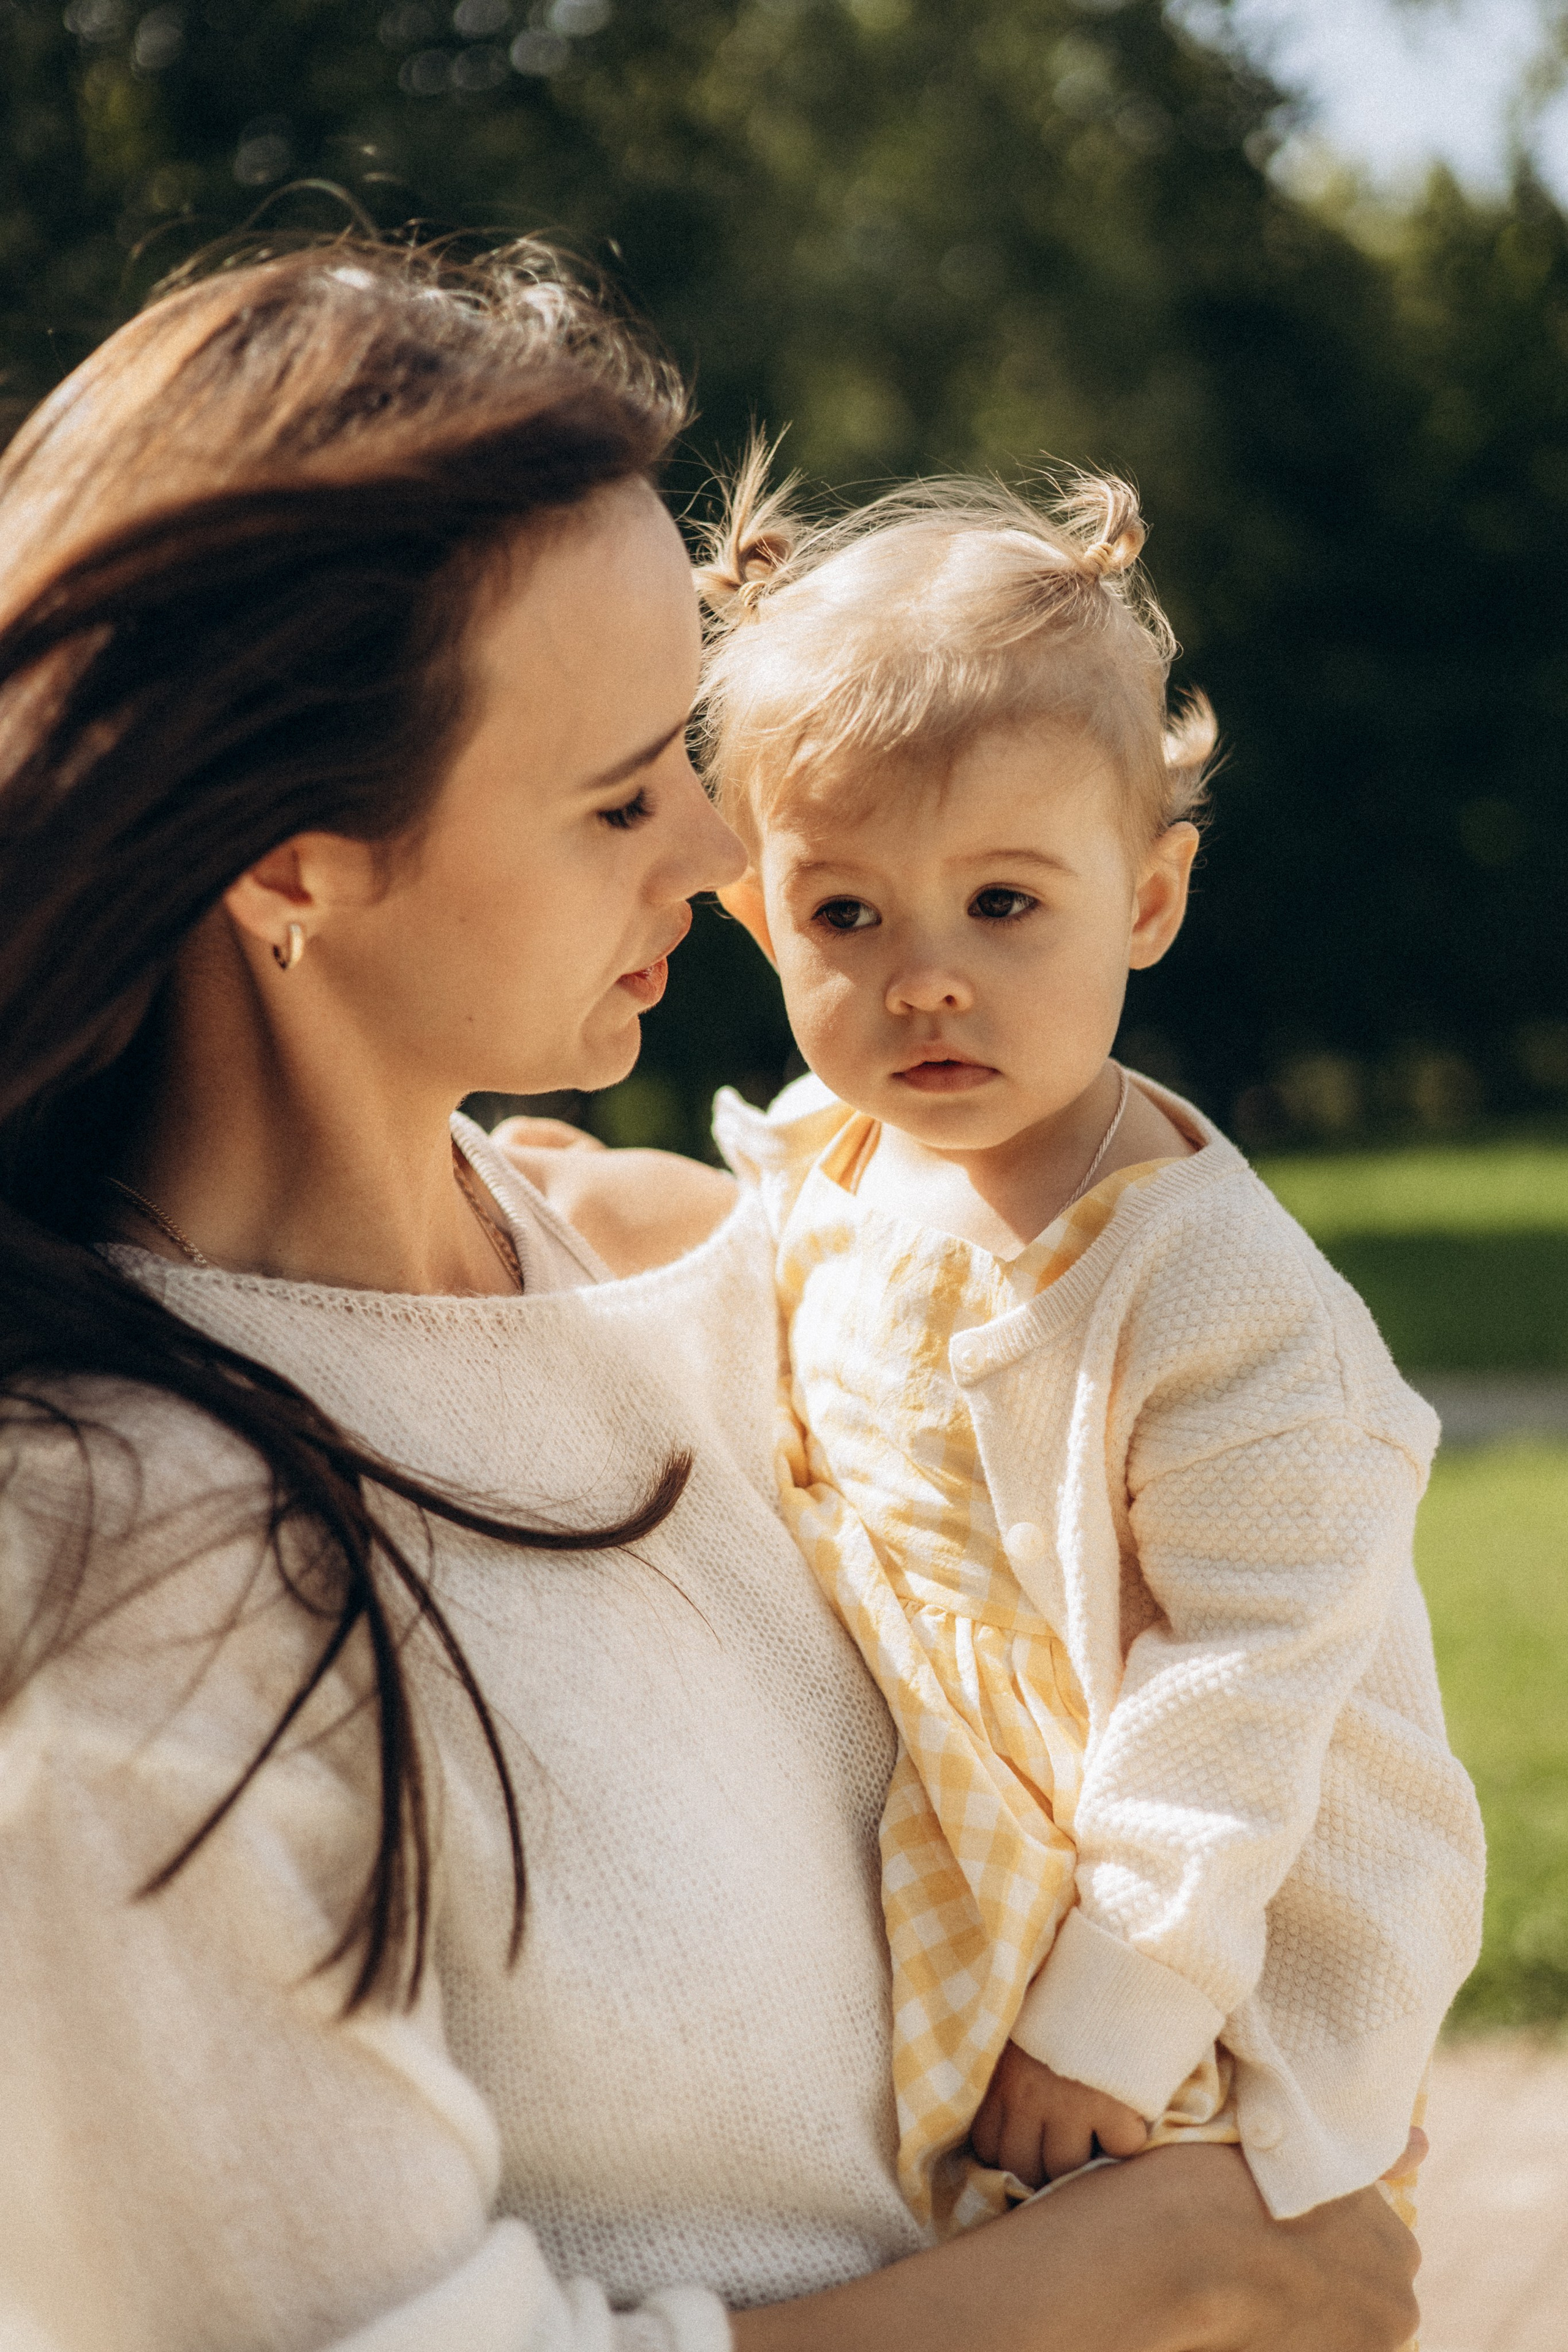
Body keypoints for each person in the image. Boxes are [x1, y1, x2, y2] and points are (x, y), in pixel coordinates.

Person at [0, 239, 1423, 2352]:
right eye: (618, 795)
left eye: (687, 748)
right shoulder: (120, 1610)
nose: (715, 854)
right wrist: (1143, 2282)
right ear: (294, 863)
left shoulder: (700, 1258)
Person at [646, 456, 1476, 2245]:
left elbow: (1248, 1675)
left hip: (1184, 1898)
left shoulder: (1207, 1293)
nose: (925, 979)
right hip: (957, 1823)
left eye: (1004, 907)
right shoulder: (852, 1152)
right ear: (754, 916)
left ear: (1149, 904)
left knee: (1145, 2244)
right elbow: (756, 1234)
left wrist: (1126, 2001)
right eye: (846, 916)